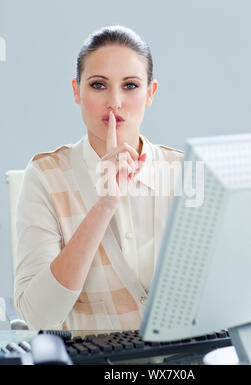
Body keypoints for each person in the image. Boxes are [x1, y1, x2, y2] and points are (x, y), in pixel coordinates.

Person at [14, 25, 183, 331]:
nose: (115, 102)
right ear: (77, 91)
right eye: (98, 85)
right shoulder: (45, 177)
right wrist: (104, 205)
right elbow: (37, 316)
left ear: (150, 93)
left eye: (130, 86)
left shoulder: (183, 172)